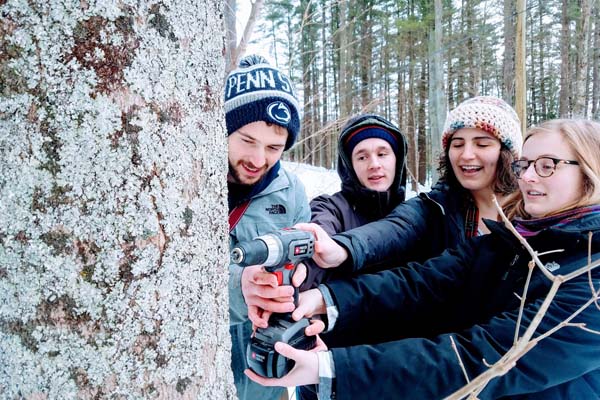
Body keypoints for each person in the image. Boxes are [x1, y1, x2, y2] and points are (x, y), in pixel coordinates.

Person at [246, 118, 600, 399]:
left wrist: (332, 368)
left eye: (548, 165)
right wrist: (324, 291)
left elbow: (483, 354)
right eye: (527, 164)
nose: (529, 176)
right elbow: (419, 278)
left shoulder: (588, 275)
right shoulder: (510, 239)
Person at [248, 96, 524, 332]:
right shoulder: (433, 208)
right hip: (360, 361)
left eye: (482, 143)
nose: (466, 154)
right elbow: (390, 231)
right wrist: (305, 267)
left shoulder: (533, 214)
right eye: (458, 143)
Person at [226, 54, 311, 400]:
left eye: (274, 147)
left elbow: (306, 264)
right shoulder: (190, 182)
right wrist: (239, 286)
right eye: (247, 141)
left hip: (266, 380)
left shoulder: (292, 191)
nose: (259, 160)